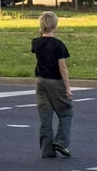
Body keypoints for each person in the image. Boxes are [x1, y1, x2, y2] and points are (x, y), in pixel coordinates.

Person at [31, 11, 73, 158]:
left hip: (40, 81)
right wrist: (67, 87)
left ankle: (46, 150)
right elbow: (62, 67)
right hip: (55, 81)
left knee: (45, 116)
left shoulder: (36, 42)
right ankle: (61, 141)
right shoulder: (59, 45)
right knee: (66, 111)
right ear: (55, 25)